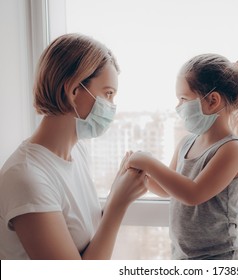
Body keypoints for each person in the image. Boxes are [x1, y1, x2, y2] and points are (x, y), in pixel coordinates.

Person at [0, 33, 147, 260]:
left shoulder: (77, 152)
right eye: (108, 93)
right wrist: (118, 205)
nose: (112, 106)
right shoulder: (26, 177)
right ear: (74, 91)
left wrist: (117, 191)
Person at [127, 53, 238, 260]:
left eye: (183, 99)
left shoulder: (232, 149)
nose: (178, 107)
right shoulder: (186, 143)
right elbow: (167, 189)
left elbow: (193, 194)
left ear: (212, 101)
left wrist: (148, 161)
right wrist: (139, 175)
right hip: (183, 257)